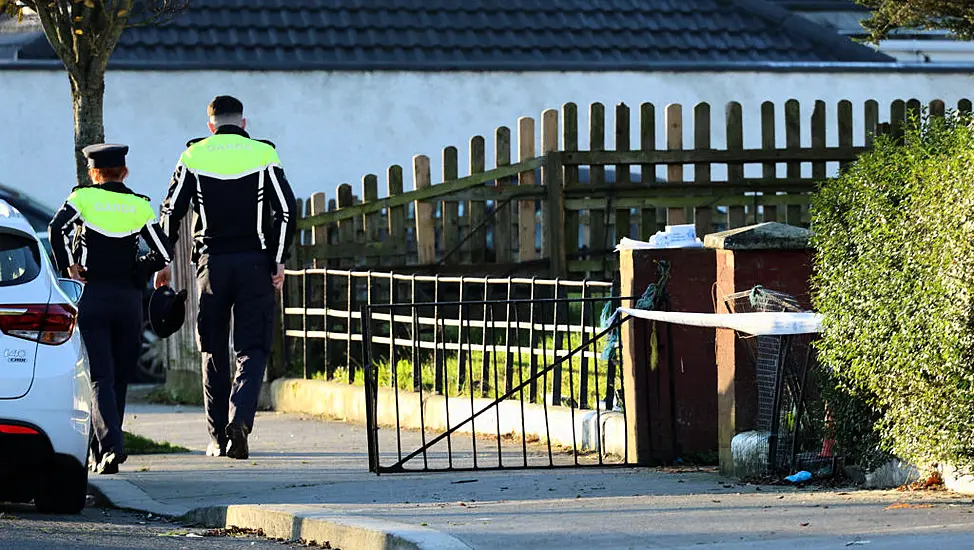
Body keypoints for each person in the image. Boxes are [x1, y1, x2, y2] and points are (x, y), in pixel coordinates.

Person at [155, 95, 296, 460]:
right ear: (244, 124)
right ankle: (241, 422)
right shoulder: (264, 154)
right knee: (253, 347)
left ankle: (217, 437)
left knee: (213, 348)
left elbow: (171, 212)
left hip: (211, 265)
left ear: (211, 126)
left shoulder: (194, 156)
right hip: (255, 262)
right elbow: (285, 209)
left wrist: (162, 260)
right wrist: (278, 260)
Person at [49, 144, 173, 475]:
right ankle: (106, 448)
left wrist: (69, 266)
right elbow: (162, 251)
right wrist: (141, 270)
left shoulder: (82, 199)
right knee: (118, 377)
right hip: (128, 301)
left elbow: (55, 229)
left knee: (100, 375)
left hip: (92, 296)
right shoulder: (139, 205)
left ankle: (109, 447)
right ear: (125, 172)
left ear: (93, 173)